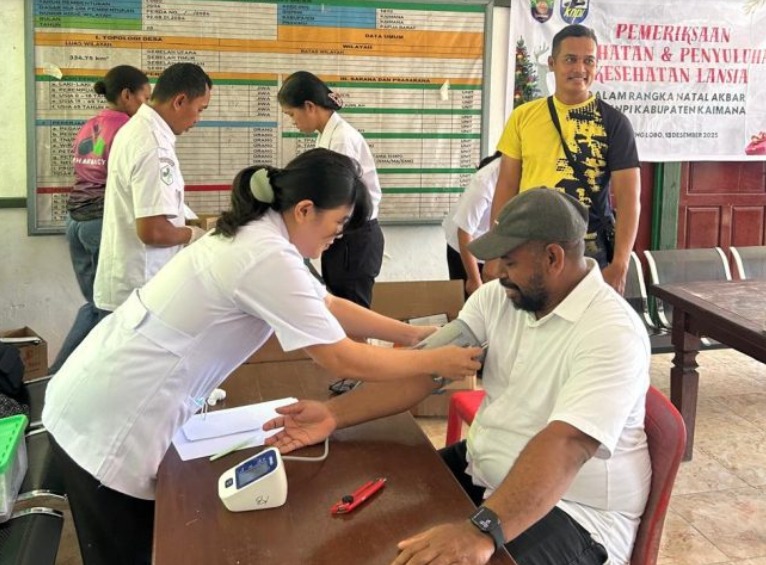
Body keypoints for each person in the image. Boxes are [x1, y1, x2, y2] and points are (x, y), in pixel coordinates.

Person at [43, 148, 482, 565]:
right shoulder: (264, 255)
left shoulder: (262, 235)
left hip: (105, 394)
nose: (338, 236)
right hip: (111, 423)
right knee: (134, 552)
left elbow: (327, 305)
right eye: (338, 223)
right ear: (305, 210)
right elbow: (340, 359)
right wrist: (434, 360)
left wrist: (412, 334)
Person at [264, 188, 651, 565]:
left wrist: (482, 530)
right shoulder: (498, 299)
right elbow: (426, 370)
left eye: (509, 262)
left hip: (576, 512)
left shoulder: (611, 332)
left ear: (553, 258)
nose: (494, 272)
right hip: (485, 472)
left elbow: (566, 445)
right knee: (369, 514)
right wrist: (334, 414)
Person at [489, 24, 640, 295]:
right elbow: (507, 186)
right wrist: (496, 249)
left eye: (588, 61)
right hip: (528, 245)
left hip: (587, 250)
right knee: (529, 315)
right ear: (552, 63)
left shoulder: (614, 123)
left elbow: (629, 198)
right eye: (570, 59)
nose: (580, 69)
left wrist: (621, 262)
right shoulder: (523, 117)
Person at [49, 66, 151, 374]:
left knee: (94, 304)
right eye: (145, 98)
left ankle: (58, 377)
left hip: (75, 221)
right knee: (109, 308)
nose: (147, 106)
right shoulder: (129, 129)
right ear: (127, 95)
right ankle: (66, 377)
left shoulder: (91, 124)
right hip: (100, 222)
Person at [93, 62, 212, 312]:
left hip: (128, 280)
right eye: (200, 109)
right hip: (140, 286)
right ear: (180, 101)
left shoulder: (136, 128)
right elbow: (153, 232)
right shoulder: (153, 146)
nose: (198, 120)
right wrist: (195, 235)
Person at [278, 71, 384, 308]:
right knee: (338, 308)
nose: (292, 121)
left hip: (353, 240)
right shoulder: (328, 135)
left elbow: (337, 197)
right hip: (343, 237)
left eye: (292, 114)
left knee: (352, 312)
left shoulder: (341, 140)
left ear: (309, 106)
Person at [442, 152, 501, 297]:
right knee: (472, 300)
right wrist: (474, 279)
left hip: (494, 247)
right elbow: (464, 232)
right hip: (465, 248)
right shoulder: (486, 180)